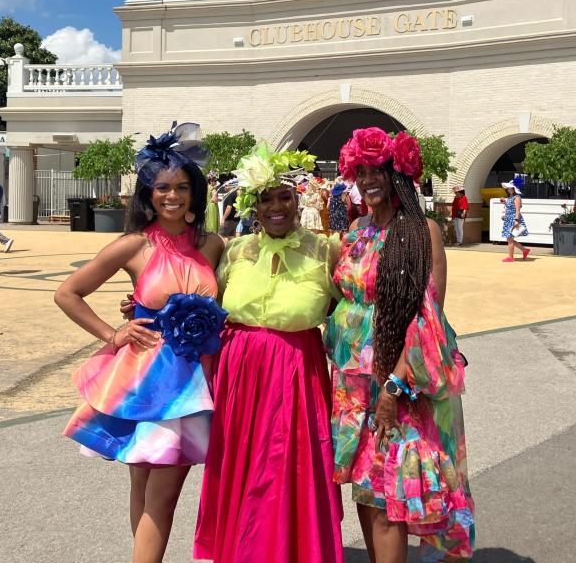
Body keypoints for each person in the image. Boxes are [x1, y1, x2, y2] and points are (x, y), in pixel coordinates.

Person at [57, 124, 225, 563]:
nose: (172, 196)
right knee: (149, 488)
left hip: (193, 382)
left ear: (196, 192)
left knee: (158, 491)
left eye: (182, 187)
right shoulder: (133, 245)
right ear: (148, 193)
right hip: (144, 378)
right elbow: (67, 293)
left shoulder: (213, 245)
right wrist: (113, 333)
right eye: (162, 187)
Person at [327, 127, 475, 562]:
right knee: (364, 485)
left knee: (391, 487)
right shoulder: (356, 229)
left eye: (380, 171)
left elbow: (427, 318)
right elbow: (336, 296)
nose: (370, 180)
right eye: (363, 171)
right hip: (349, 383)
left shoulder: (419, 230)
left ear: (400, 175)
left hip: (394, 379)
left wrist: (394, 386)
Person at [195, 142, 344, 563]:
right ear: (253, 206)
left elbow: (349, 309)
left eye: (285, 197)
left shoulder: (325, 250)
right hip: (241, 373)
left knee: (289, 465)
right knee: (243, 463)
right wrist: (146, 310)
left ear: (299, 202)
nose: (276, 206)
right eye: (265, 198)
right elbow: (204, 304)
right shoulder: (236, 250)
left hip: (298, 370)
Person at [500, 175, 531, 262]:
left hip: (513, 219)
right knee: (509, 238)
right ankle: (524, 250)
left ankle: (511, 257)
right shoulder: (510, 197)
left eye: (510, 188)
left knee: (509, 239)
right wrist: (505, 203)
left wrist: (516, 221)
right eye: (508, 188)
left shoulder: (517, 197)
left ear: (514, 189)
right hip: (509, 219)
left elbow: (517, 210)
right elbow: (510, 208)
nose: (508, 189)